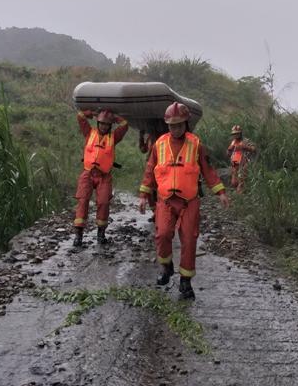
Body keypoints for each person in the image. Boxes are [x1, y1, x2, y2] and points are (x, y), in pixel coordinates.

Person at [139, 102, 229, 299]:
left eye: (179, 125)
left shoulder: (196, 144)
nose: (176, 129)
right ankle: (166, 267)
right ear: (167, 125)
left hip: (189, 201)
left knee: (189, 239)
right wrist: (144, 195)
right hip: (165, 200)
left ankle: (185, 282)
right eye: (172, 126)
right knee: (162, 234)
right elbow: (150, 170)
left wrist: (220, 192)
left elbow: (208, 170)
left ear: (186, 124)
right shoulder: (159, 144)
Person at [73, 108, 128, 246]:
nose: (103, 126)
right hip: (88, 173)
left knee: (103, 202)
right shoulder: (89, 133)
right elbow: (80, 116)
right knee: (83, 201)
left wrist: (114, 117)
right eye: (102, 123)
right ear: (98, 123)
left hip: (104, 176)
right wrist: (92, 114)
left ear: (110, 126)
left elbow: (124, 125)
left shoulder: (113, 137)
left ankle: (101, 234)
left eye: (106, 124)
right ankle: (78, 235)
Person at [227, 124, 256, 192]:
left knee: (241, 181)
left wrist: (246, 147)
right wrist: (228, 151)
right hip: (235, 162)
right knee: (234, 182)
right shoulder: (233, 142)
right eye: (234, 134)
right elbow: (229, 154)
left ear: (240, 133)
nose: (235, 135)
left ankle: (241, 192)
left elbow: (254, 149)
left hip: (244, 162)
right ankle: (240, 190)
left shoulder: (246, 141)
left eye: (237, 133)